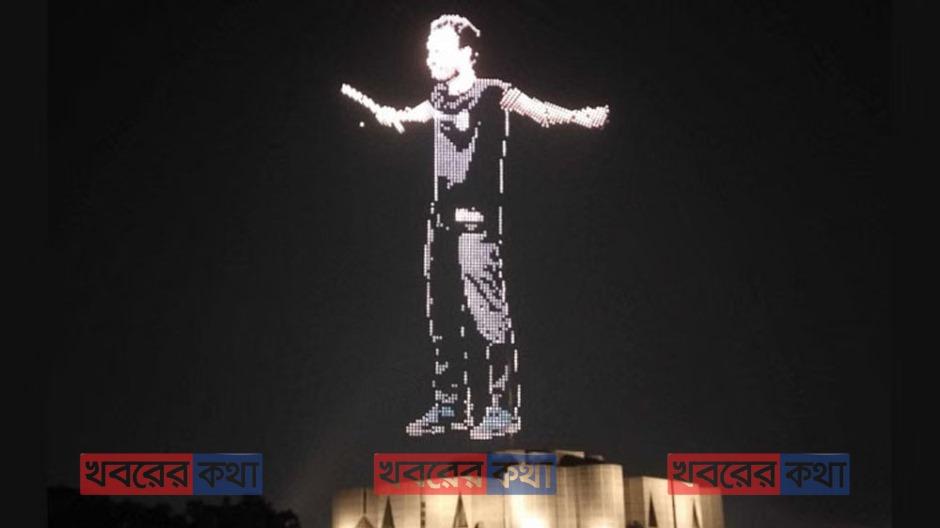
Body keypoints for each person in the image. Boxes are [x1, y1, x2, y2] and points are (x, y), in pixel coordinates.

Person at [345, 14, 608, 439]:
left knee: (487, 316)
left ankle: (501, 408)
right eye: (428, 51)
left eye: (440, 50)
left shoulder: (492, 92)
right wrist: (394, 116)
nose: (430, 58)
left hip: (475, 225)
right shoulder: (438, 98)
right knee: (443, 316)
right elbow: (417, 114)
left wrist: (581, 117)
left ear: (467, 54)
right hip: (442, 224)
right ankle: (450, 405)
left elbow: (540, 112)